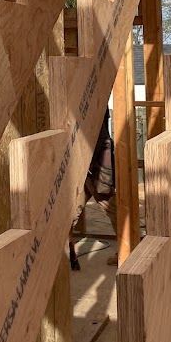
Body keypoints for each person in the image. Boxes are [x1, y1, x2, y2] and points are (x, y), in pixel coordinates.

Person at [69, 109, 118, 270]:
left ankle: (128, 251)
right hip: (88, 164)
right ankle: (68, 255)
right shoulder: (89, 107)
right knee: (71, 213)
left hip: (93, 166)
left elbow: (102, 141)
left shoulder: (92, 110)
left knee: (112, 209)